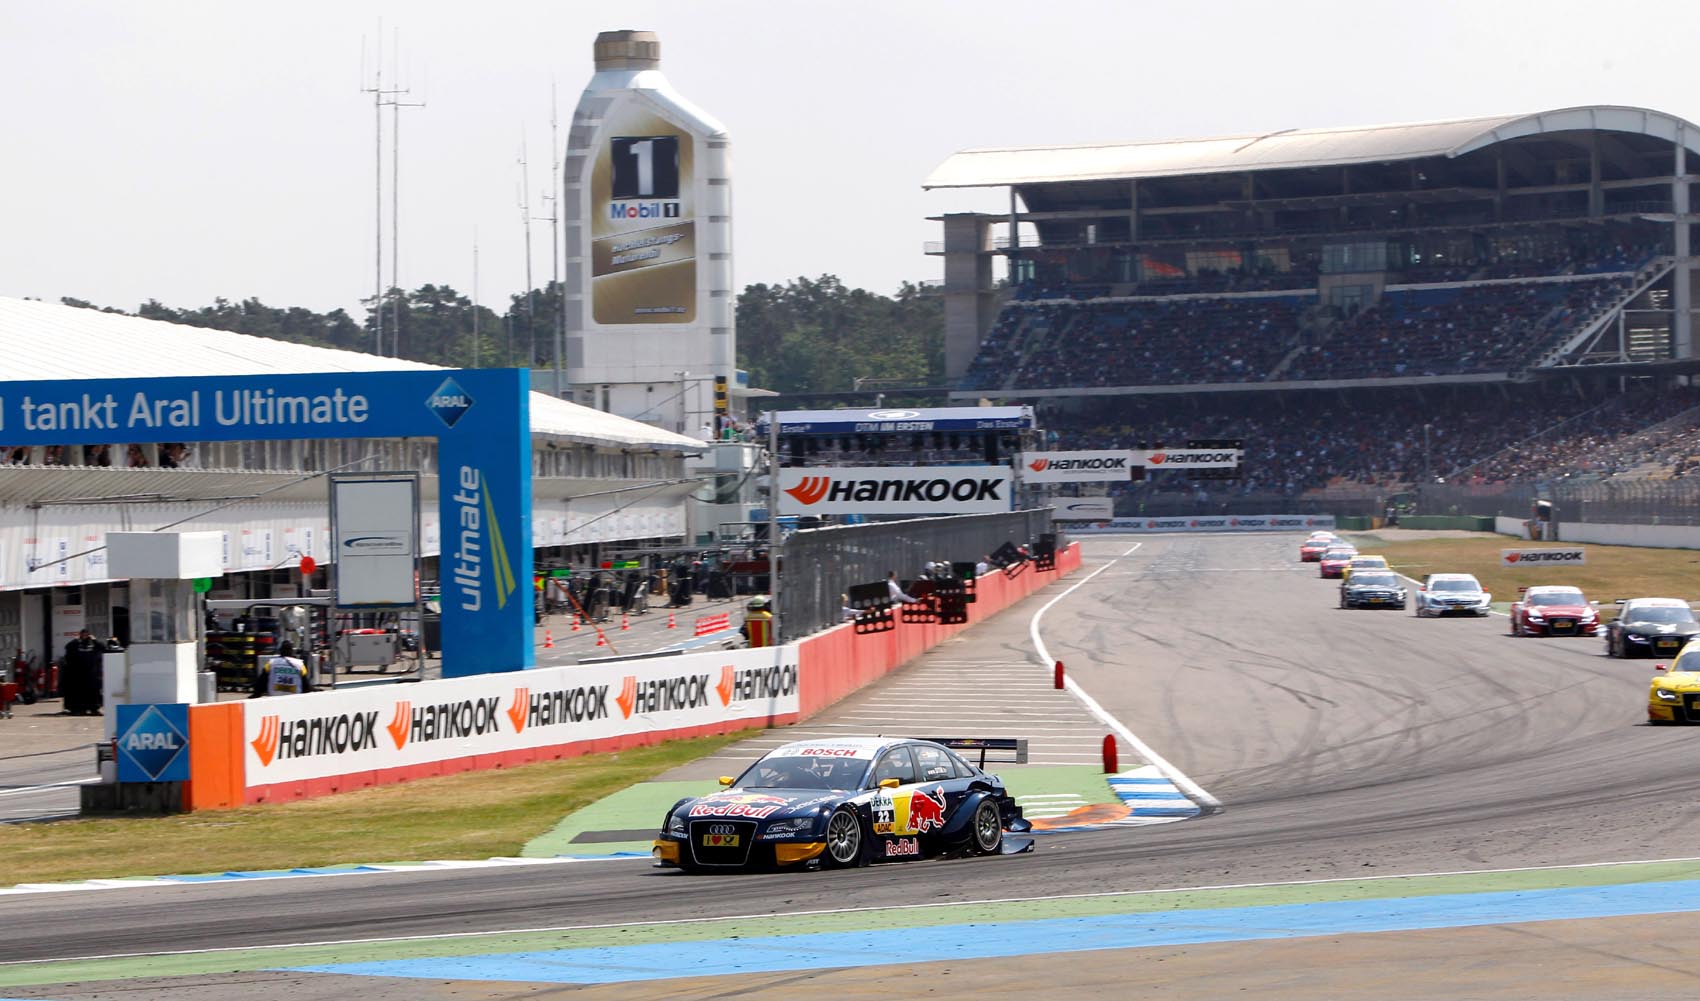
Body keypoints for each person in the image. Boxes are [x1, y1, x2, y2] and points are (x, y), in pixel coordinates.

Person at [61, 628, 105, 715]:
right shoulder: (76, 644)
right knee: (78, 692)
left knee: (93, 692)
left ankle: (94, 709)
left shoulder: (93, 645)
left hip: (91, 674)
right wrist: (76, 640)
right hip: (78, 674)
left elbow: (103, 648)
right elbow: (68, 648)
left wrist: (95, 640)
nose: (85, 636)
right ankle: (78, 709)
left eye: (86, 634)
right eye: (83, 634)